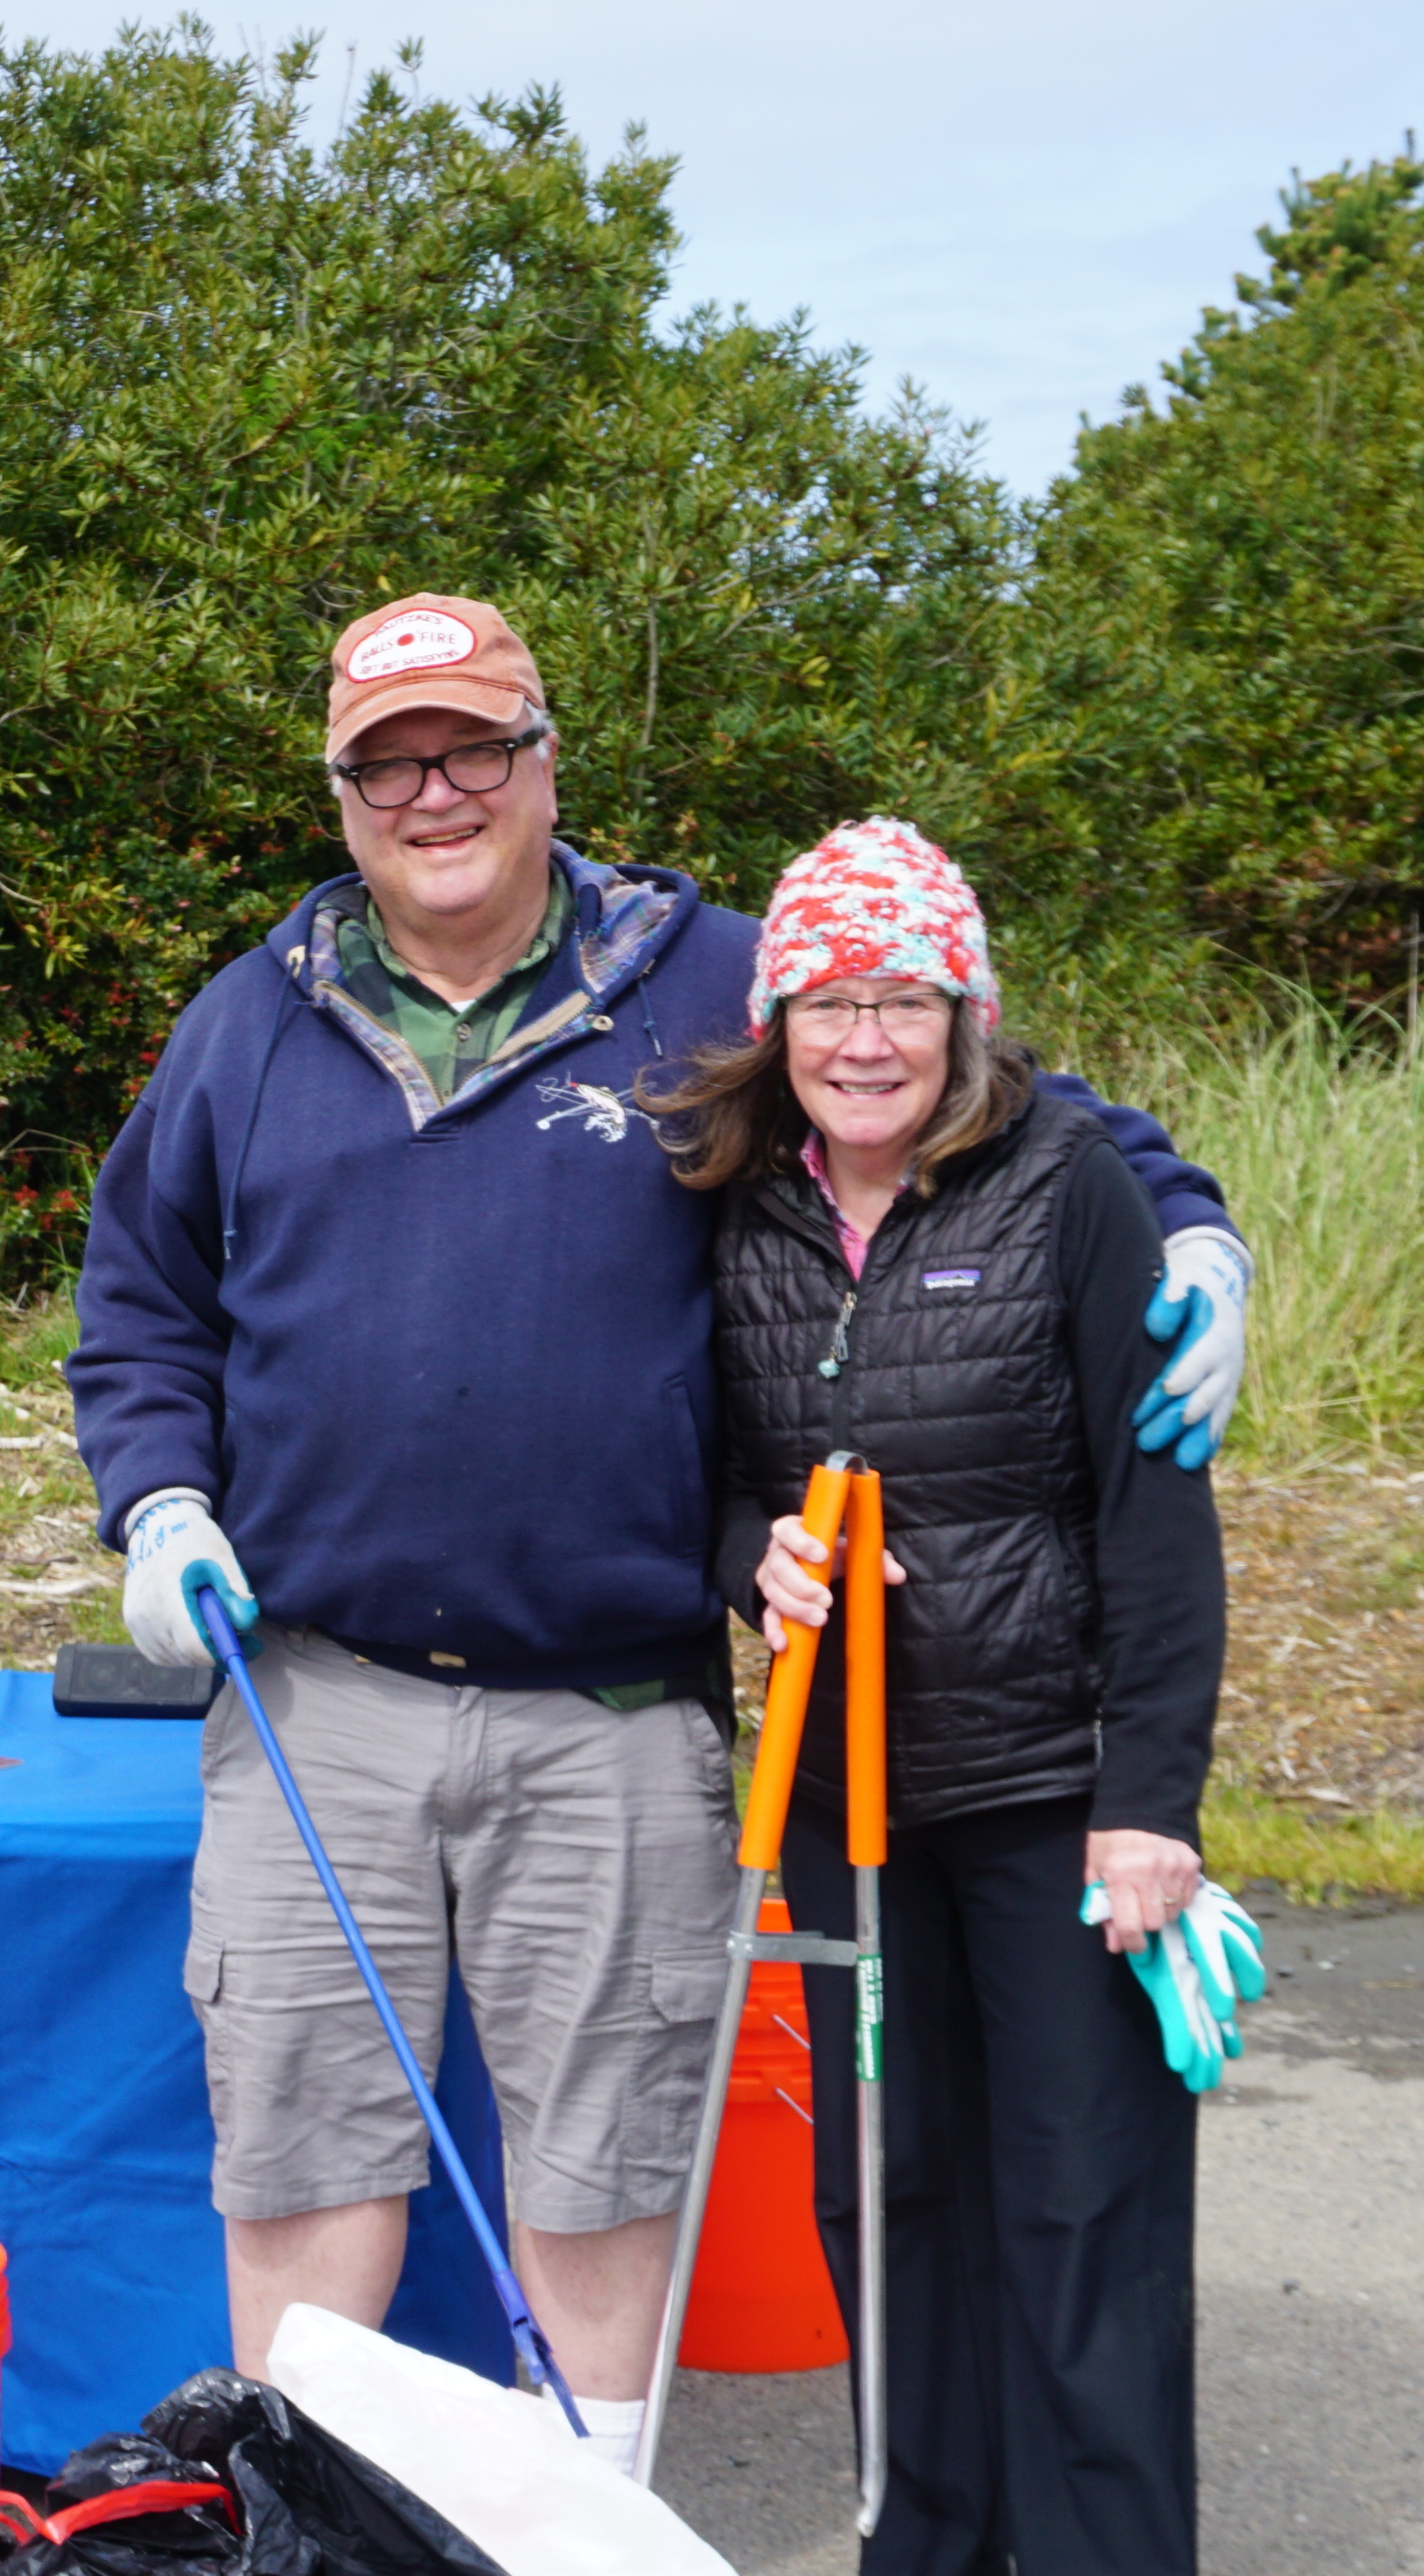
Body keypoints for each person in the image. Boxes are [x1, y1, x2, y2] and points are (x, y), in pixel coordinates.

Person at [66, 593, 1250, 2465]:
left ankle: (590, 2554)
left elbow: (1009, 1105)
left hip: (615, 1707)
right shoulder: (248, 1023)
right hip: (316, 1693)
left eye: (473, 748)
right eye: (388, 761)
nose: (432, 791)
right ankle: (304, 2553)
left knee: (602, 2155)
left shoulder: (703, 979)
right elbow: (141, 1304)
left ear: (546, 762)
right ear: (342, 793)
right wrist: (162, 1498)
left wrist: (1195, 1231)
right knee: (303, 2142)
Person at [654, 817, 1228, 2576]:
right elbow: (708, 1490)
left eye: (902, 995)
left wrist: (1149, 1804)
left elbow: (1158, 1516)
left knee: (1080, 2227)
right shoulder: (734, 1212)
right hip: (848, 1811)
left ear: (959, 1012)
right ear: (779, 1019)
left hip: (1053, 1811)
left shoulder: (1067, 1190)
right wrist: (757, 1560)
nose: (867, 1034)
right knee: (885, 2212)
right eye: (831, 997)